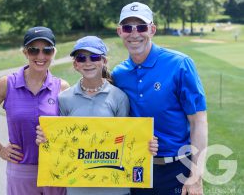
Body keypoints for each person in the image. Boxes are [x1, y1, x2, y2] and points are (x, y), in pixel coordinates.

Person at [36, 36, 158, 195]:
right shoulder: (64, 98)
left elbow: (126, 141)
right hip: (78, 188)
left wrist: (145, 144)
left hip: (115, 189)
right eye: (81, 58)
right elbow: (61, 143)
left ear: (104, 61)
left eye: (94, 57)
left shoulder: (119, 97)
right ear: (75, 64)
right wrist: (45, 140)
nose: (88, 62)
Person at [112, 2, 208, 195]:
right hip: (136, 169)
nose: (134, 33)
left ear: (152, 29)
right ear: (119, 32)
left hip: (177, 167)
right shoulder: (119, 74)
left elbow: (198, 121)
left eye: (141, 27)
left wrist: (196, 176)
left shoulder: (180, 64)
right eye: (127, 27)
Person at [0, 26, 69, 195]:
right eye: (33, 50)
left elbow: (72, 131)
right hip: (21, 171)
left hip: (56, 168)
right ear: (25, 52)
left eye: (47, 50)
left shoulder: (62, 87)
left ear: (54, 52)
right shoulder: (6, 84)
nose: (40, 56)